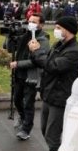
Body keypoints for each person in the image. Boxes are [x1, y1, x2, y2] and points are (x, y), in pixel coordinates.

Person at [28, 16, 78, 151]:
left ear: (69, 30)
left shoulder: (74, 51)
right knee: (45, 127)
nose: (56, 30)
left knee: (52, 130)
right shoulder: (58, 44)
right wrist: (35, 53)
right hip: (49, 93)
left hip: (60, 96)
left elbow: (53, 66)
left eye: (59, 28)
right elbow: (45, 62)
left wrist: (37, 52)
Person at [9, 13, 50, 141]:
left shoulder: (43, 40)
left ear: (41, 25)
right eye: (29, 20)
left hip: (31, 76)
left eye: (34, 21)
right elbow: (9, 49)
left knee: (28, 103)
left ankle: (26, 129)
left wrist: (18, 64)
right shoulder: (23, 36)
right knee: (17, 100)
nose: (30, 23)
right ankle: (22, 117)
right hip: (19, 75)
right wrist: (10, 36)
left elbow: (38, 61)